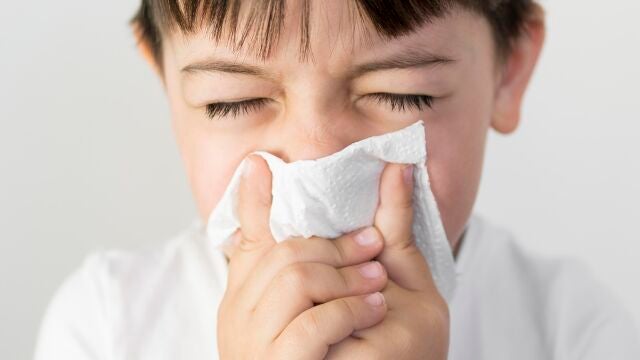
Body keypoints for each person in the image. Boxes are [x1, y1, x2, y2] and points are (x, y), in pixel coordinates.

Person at [34, 0, 640, 359]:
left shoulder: (571, 330)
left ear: (509, 72)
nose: (316, 163)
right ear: (167, 84)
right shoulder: (107, 325)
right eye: (233, 102)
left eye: (401, 96)